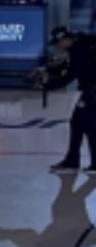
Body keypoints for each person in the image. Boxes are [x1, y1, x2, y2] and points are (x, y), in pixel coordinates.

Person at [42, 29, 96, 173]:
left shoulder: (79, 49)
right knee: (80, 124)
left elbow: (72, 74)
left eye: (58, 43)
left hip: (92, 92)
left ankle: (76, 162)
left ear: (64, 39)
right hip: (89, 92)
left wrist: (48, 85)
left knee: (86, 125)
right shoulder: (83, 44)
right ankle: (73, 161)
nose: (58, 47)